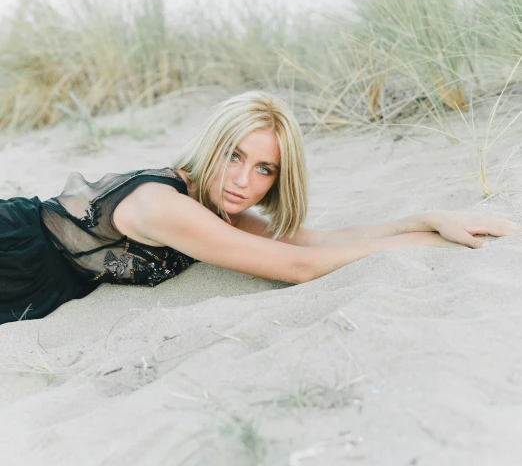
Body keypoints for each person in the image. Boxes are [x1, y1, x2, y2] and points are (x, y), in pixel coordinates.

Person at [0, 90, 518, 325]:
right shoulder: (165, 205)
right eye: (234, 156)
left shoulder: (219, 210)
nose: (243, 181)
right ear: (212, 145)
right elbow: (300, 267)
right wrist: (427, 242)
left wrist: (432, 222)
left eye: (265, 170)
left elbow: (319, 240)